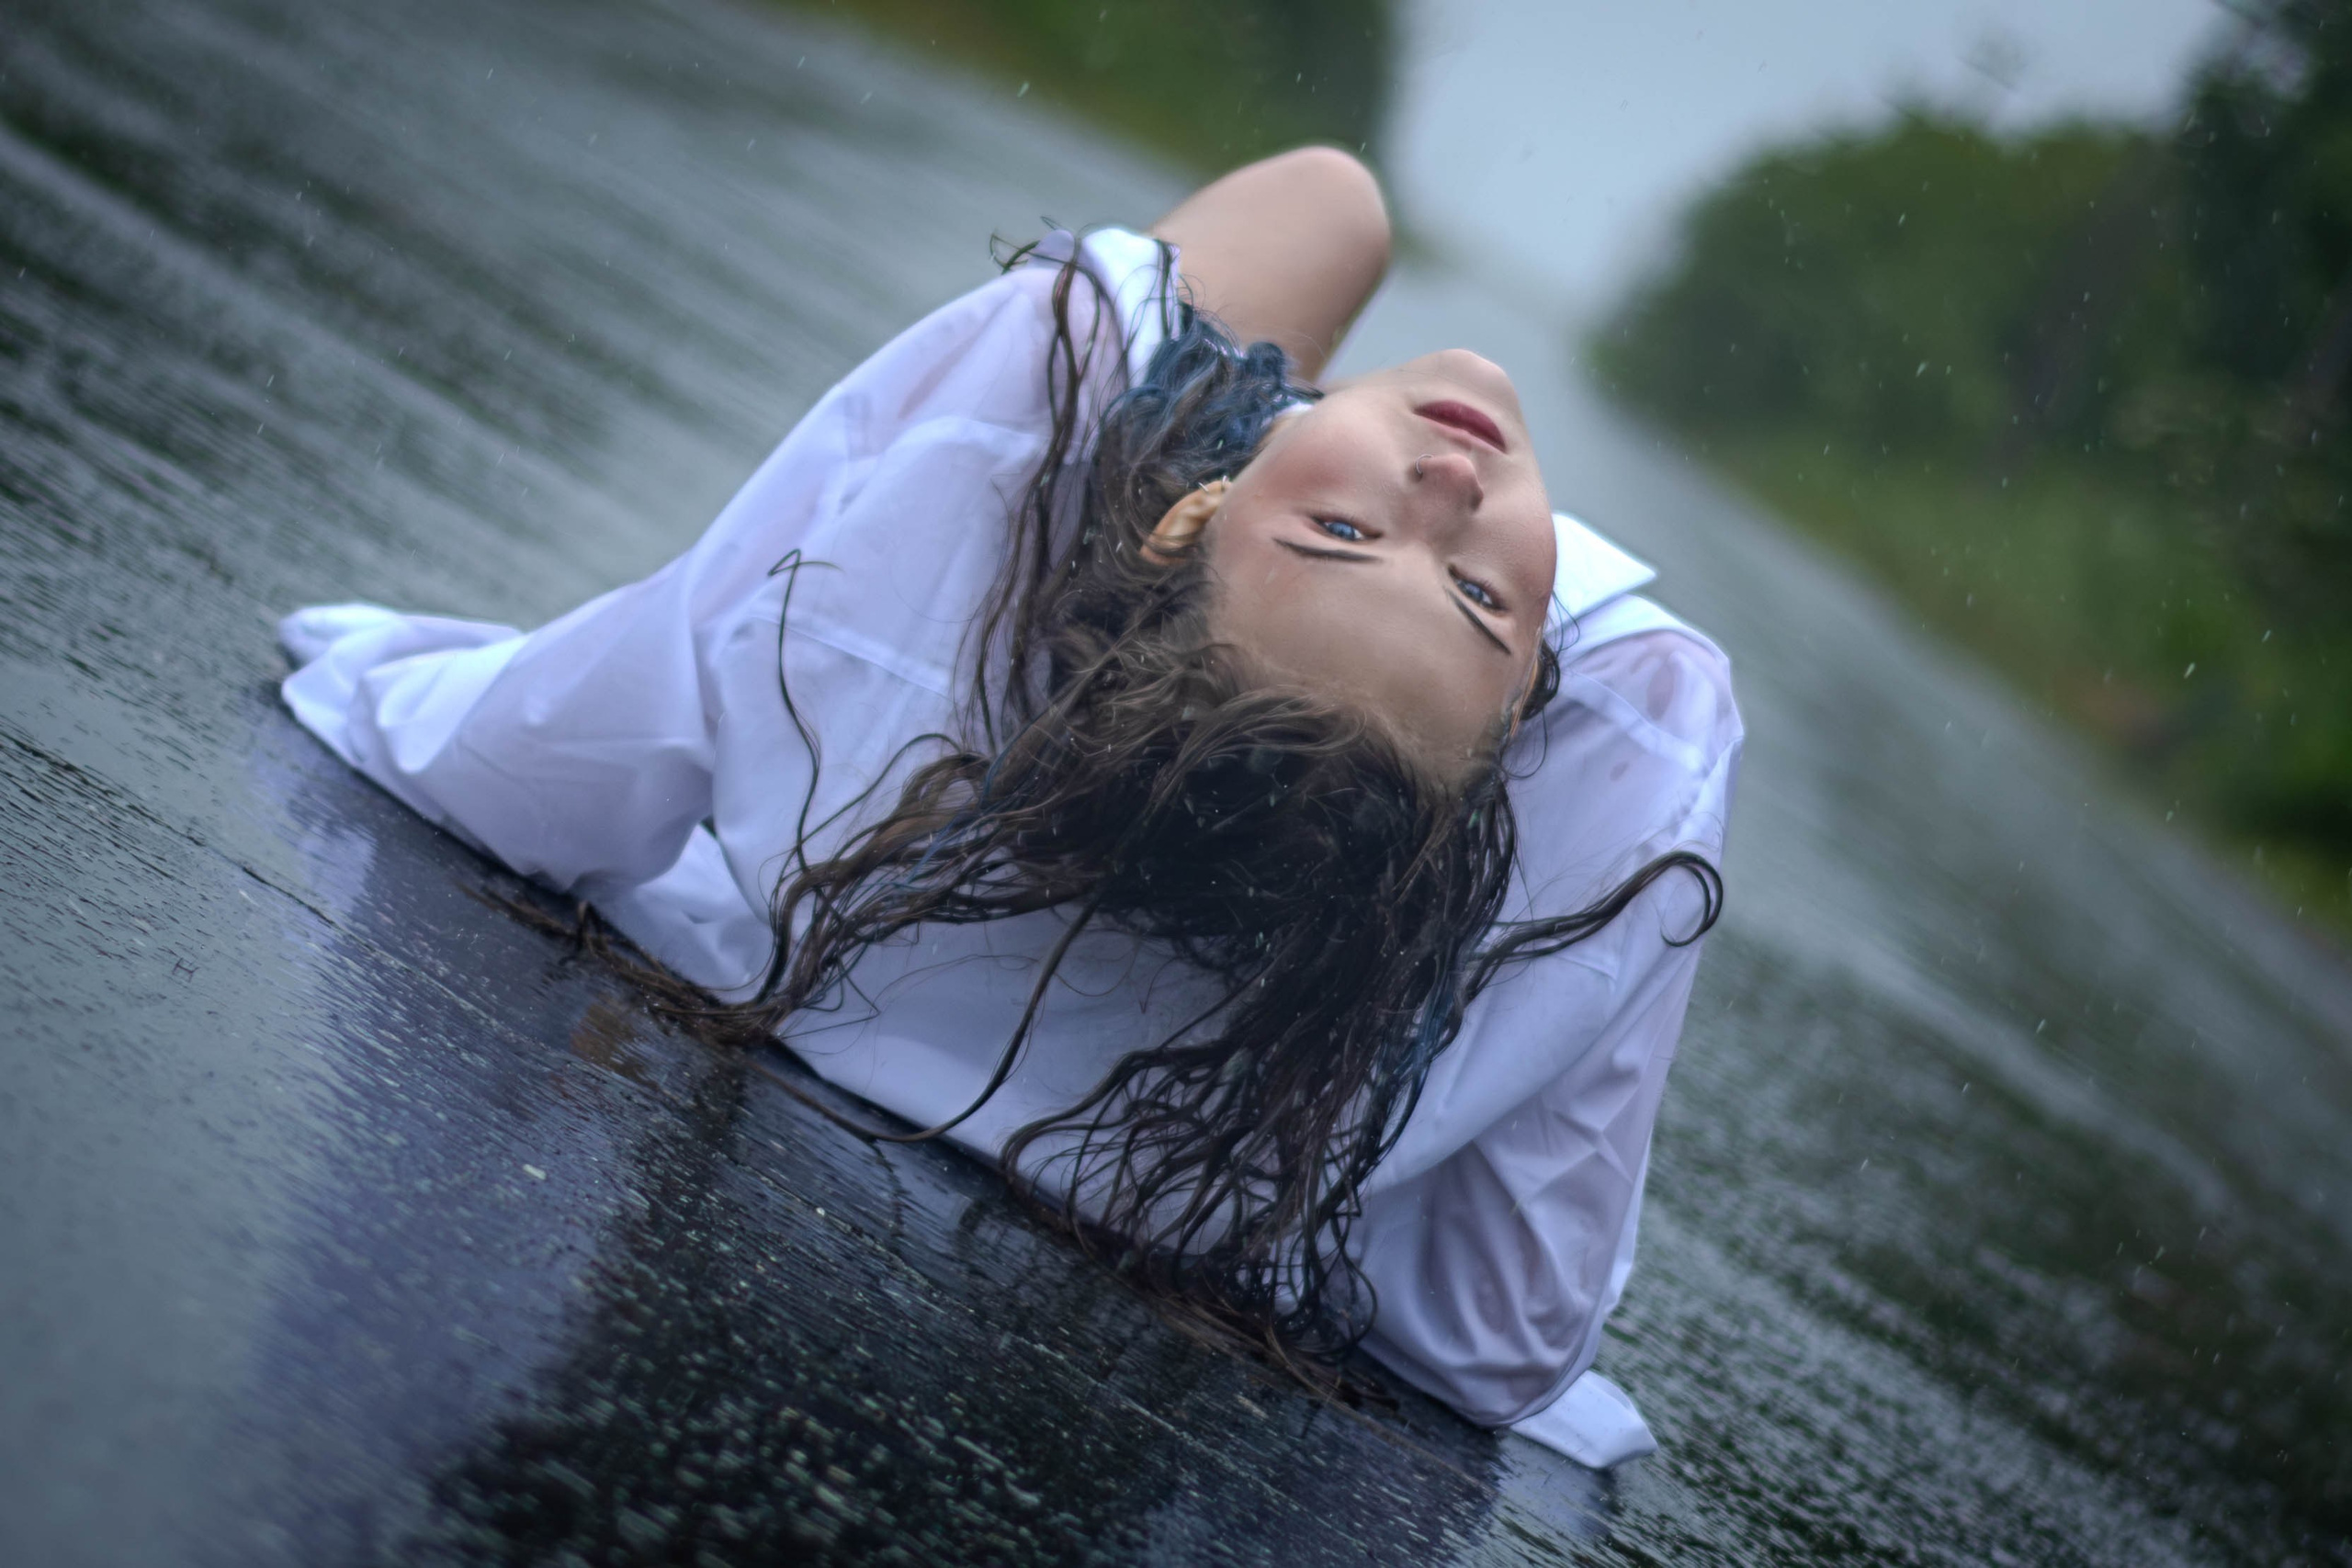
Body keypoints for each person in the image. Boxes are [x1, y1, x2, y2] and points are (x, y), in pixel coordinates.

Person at [277, 149, 1742, 1469]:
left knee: (1330, 206)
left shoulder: (1016, 447)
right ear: (1522, 738)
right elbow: (1499, 1336)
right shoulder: (1624, 746)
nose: (1448, 483)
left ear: (1183, 516)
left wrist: (400, 695)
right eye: (1481, 600)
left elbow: (569, 754)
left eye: (1343, 535)